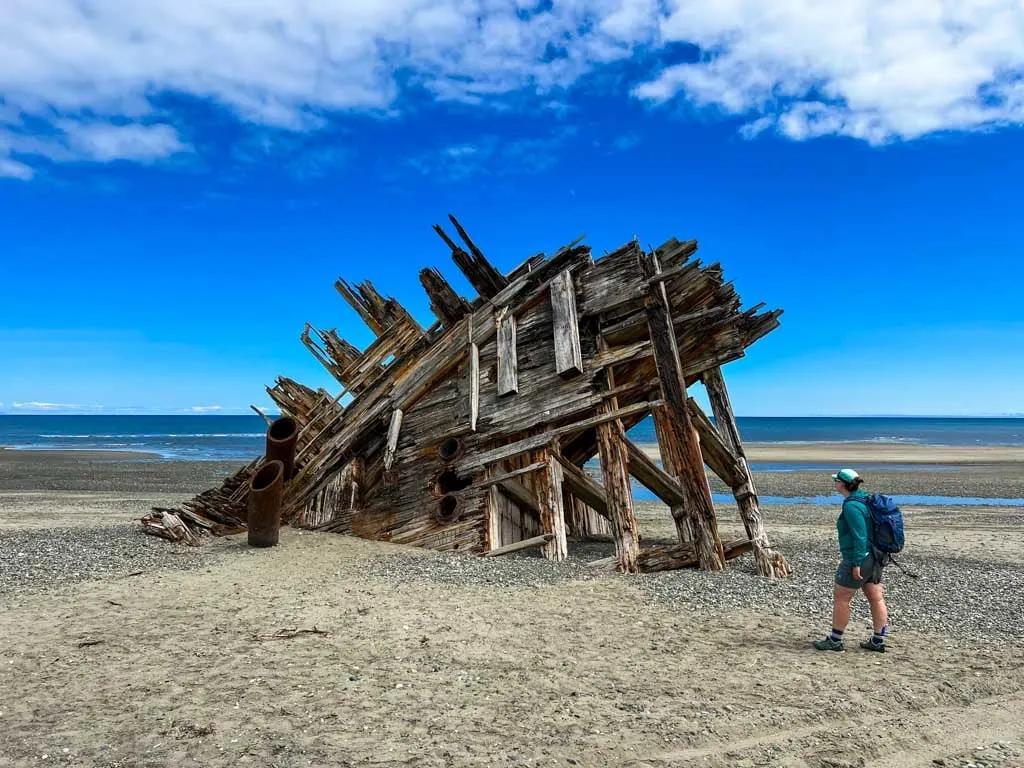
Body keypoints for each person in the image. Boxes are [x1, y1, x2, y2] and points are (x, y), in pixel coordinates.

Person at [813, 468, 889, 653]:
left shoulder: (851, 506)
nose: (835, 484)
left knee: (842, 597)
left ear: (842, 484)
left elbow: (859, 536)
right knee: (875, 596)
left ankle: (835, 640)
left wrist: (856, 563)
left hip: (861, 557)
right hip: (876, 556)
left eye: (836, 481)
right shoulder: (865, 500)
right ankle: (878, 640)